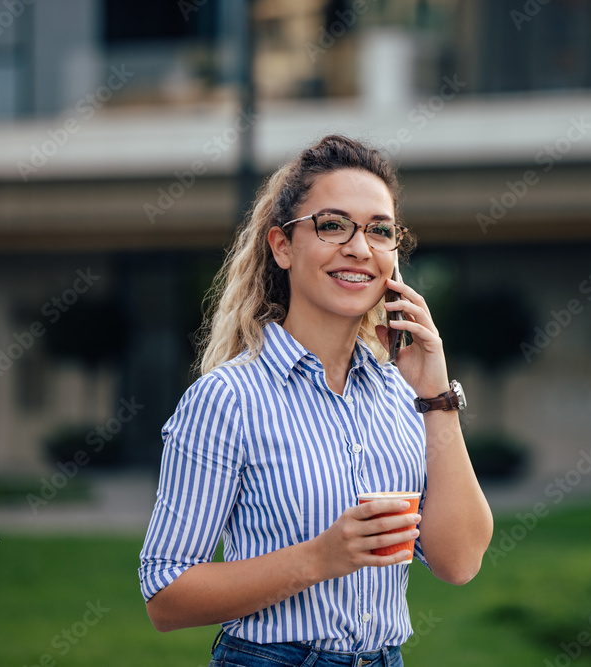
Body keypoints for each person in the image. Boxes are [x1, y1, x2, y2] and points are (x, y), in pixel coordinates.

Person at [138, 134, 494, 667]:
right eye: (332, 225)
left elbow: (460, 561)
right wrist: (319, 558)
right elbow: (166, 597)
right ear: (283, 246)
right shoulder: (227, 399)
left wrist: (436, 398)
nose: (358, 248)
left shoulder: (403, 394)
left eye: (380, 231)